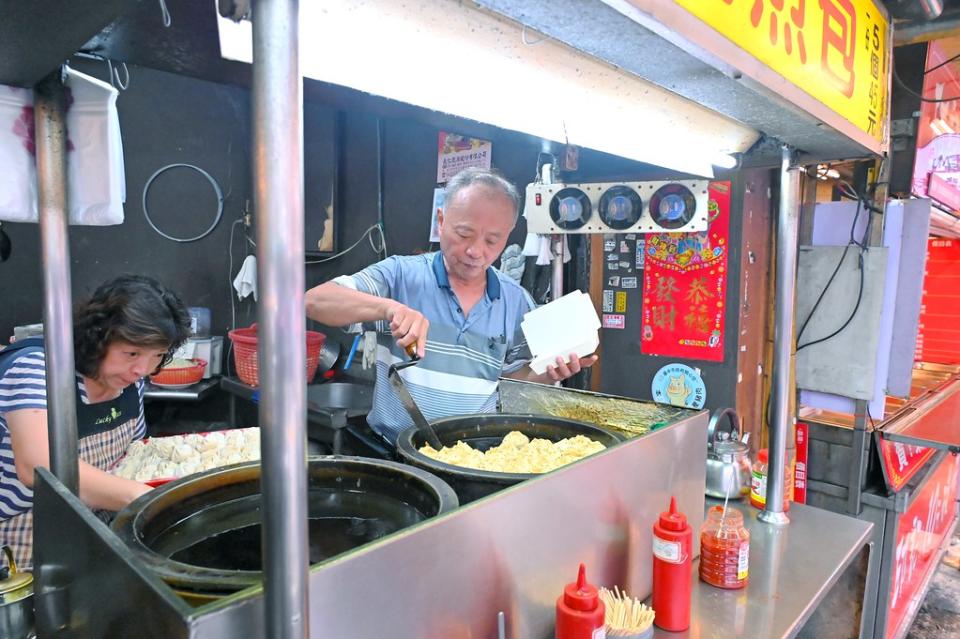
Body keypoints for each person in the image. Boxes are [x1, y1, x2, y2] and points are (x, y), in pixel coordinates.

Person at [305, 167, 597, 445]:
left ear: (507, 235)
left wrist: (544, 375)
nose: (475, 251)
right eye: (464, 234)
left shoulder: (516, 301)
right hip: (397, 455)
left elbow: (511, 384)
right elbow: (316, 301)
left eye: (492, 240)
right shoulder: (400, 276)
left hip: (476, 457)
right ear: (441, 221)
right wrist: (390, 309)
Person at [0, 275, 192, 568]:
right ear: (98, 336)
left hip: (89, 536)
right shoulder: (38, 367)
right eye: (131, 353)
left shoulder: (131, 382)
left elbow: (132, 461)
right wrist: (140, 498)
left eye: (158, 355)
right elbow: (37, 467)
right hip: (15, 549)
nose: (142, 368)